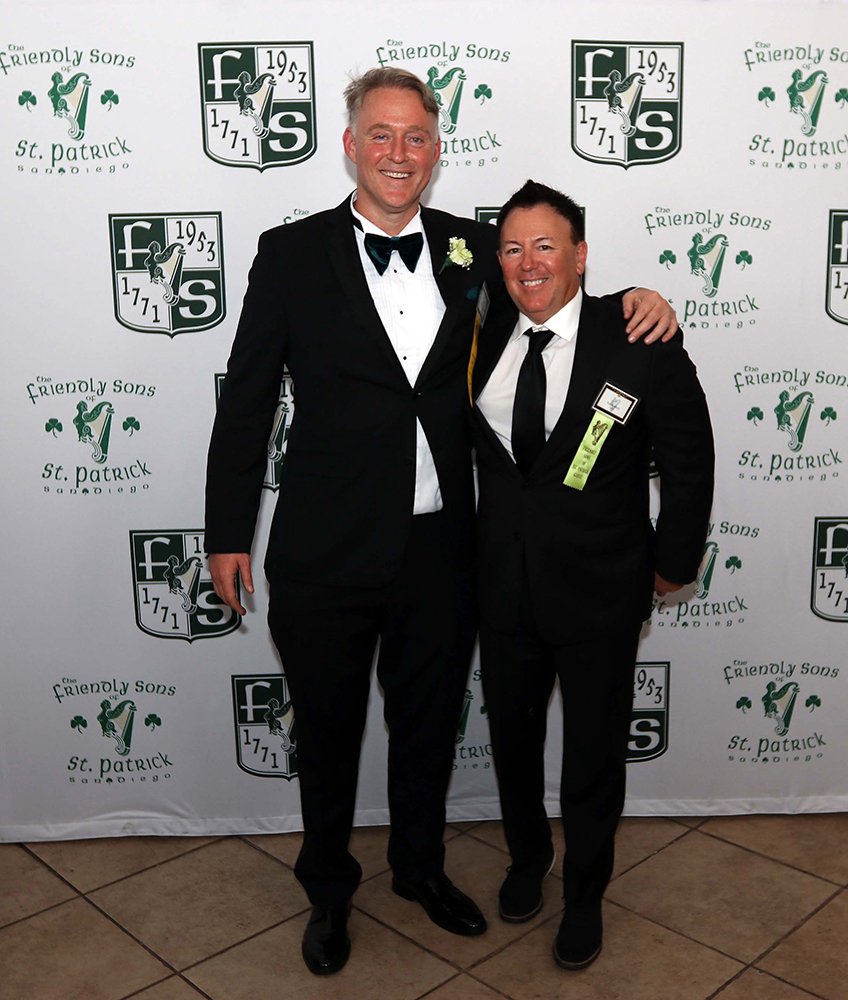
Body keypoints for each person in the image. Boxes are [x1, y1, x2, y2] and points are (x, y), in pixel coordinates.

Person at [205, 69, 678, 976]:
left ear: (435, 151)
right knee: (328, 734)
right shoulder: (289, 253)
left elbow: (552, 298)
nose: (399, 153)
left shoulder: (475, 249)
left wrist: (638, 303)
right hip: (325, 549)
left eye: (416, 136)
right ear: (351, 145)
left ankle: (419, 868)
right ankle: (329, 891)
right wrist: (228, 531)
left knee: (425, 727)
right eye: (381, 135)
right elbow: (249, 400)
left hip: (442, 548)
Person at [470, 180, 714, 971]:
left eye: (546, 246)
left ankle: (584, 894)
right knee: (512, 742)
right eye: (513, 248)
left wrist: (672, 564)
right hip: (502, 586)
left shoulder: (637, 334)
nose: (529, 263)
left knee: (593, 758)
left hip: (602, 589)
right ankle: (527, 858)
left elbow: (690, 460)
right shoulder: (476, 333)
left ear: (580, 255)